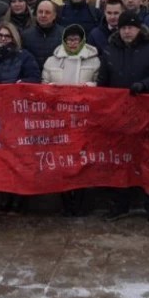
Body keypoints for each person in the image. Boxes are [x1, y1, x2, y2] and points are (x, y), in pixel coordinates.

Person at [98, 11, 149, 223]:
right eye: (123, 28)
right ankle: (119, 204)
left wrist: (146, 85)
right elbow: (103, 81)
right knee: (119, 162)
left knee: (148, 160)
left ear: (139, 29)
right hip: (118, 116)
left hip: (146, 116)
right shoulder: (110, 50)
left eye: (131, 27)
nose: (127, 31)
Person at [0, 22, 42, 216]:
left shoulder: (24, 57)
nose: (3, 39)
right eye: (0, 36)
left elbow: (34, 78)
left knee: (19, 157)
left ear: (13, 38)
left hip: (18, 115)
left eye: (7, 36)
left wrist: (21, 84)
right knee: (1, 159)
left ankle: (19, 199)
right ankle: (4, 197)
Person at [43, 24, 101, 216]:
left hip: (84, 120)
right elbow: (42, 86)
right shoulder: (52, 61)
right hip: (59, 120)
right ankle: (66, 203)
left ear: (82, 40)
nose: (72, 43)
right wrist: (51, 88)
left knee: (82, 161)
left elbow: (101, 85)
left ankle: (81, 203)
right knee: (62, 161)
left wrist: (90, 86)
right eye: (69, 40)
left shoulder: (94, 60)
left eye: (76, 39)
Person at [22, 0, 63, 67]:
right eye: (40, 12)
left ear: (54, 16)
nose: (43, 15)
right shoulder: (26, 36)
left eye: (47, 12)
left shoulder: (63, 34)